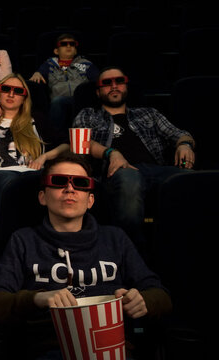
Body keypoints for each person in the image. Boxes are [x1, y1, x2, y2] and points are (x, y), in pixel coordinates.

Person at [0, 152, 172, 360]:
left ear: (90, 200)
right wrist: (38, 298)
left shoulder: (115, 238)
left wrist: (143, 301)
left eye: (80, 183)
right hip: (50, 353)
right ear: (42, 196)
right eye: (58, 182)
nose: (70, 189)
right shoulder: (23, 240)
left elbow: (161, 296)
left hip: (113, 352)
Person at [72, 66, 195, 250]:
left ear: (126, 87)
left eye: (119, 81)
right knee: (129, 178)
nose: (114, 86)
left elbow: (180, 134)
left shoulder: (148, 113)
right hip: (116, 173)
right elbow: (81, 144)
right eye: (106, 83)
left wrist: (185, 145)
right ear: (98, 92)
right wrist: (111, 152)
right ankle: (130, 252)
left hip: (156, 169)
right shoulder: (88, 114)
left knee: (192, 180)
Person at [0, 73, 69, 231]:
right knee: (11, 182)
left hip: (32, 174)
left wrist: (44, 157)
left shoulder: (37, 119)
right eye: (6, 89)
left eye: (18, 91)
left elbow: (66, 145)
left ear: (24, 98)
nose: (11, 94)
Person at [30, 33, 99, 131]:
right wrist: (37, 73)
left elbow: (98, 80)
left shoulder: (86, 64)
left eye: (72, 44)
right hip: (58, 100)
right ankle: (54, 135)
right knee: (58, 101)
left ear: (75, 50)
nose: (68, 46)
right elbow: (38, 75)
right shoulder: (49, 65)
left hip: (81, 100)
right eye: (64, 44)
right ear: (56, 51)